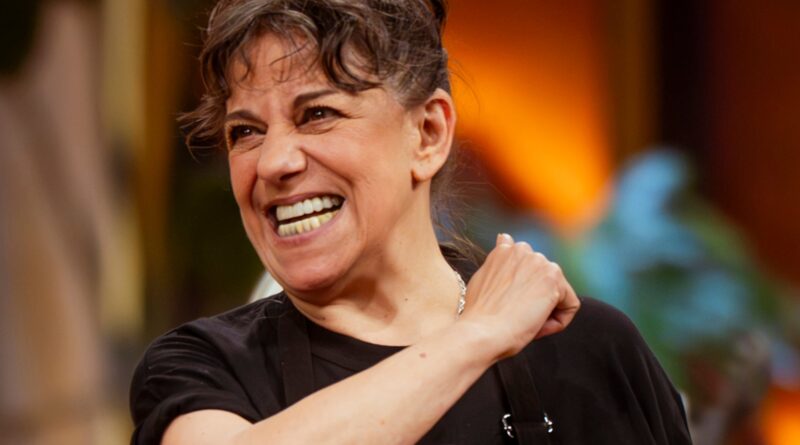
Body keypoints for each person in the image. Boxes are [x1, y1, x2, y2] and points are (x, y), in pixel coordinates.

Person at [129, 1, 693, 444]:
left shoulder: (589, 350)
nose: (273, 162)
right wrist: (477, 336)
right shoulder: (204, 369)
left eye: (318, 114)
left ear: (428, 134)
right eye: (245, 131)